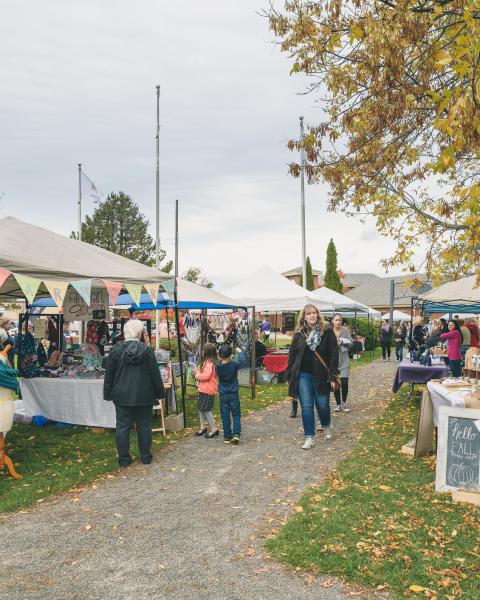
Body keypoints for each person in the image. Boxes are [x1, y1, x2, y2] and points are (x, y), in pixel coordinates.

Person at [104, 319, 165, 467]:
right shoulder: (147, 351)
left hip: (122, 395)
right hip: (144, 395)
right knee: (144, 426)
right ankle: (146, 457)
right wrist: (159, 393)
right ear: (140, 333)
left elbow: (109, 374)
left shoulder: (116, 350)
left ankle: (124, 459)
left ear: (125, 333)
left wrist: (108, 393)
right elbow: (155, 374)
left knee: (123, 426)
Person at [286, 304, 338, 450]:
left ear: (318, 314)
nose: (312, 316)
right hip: (303, 375)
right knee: (307, 406)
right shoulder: (299, 333)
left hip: (322, 375)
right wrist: (289, 374)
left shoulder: (326, 331)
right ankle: (309, 437)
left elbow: (334, 354)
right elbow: (292, 354)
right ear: (304, 316)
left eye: (314, 313)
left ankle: (326, 424)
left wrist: (332, 375)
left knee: (322, 405)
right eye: (308, 314)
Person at [216, 344, 243, 445]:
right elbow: (241, 360)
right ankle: (236, 434)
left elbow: (221, 362)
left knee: (225, 416)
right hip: (233, 393)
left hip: (223, 394)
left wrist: (228, 356)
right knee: (236, 415)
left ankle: (227, 437)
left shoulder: (218, 366)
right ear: (230, 355)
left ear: (220, 355)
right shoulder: (234, 365)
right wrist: (239, 351)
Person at [193, 342, 219, 439]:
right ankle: (203, 427)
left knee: (206, 410)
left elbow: (206, 376)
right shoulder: (209, 363)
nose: (202, 351)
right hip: (204, 389)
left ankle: (214, 429)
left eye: (203, 350)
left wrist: (197, 374)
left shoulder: (209, 364)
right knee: (201, 408)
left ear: (206, 352)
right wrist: (198, 373)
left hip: (207, 391)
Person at [331, 313, 352, 413]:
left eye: (340, 320)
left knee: (344, 382)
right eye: (336, 320)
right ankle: (338, 404)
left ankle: (344, 402)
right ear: (332, 321)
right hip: (333, 361)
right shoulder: (329, 332)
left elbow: (351, 343)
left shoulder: (345, 331)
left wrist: (342, 343)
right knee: (335, 383)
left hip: (344, 360)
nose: (338, 322)